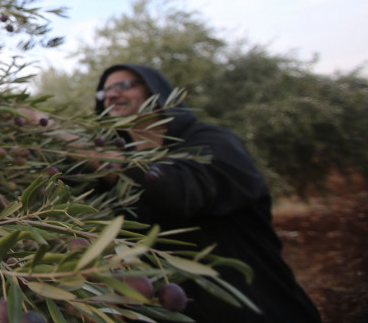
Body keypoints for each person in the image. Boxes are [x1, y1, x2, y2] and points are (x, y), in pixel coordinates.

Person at [90, 64, 321, 322]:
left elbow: (180, 190)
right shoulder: (107, 173)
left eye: (124, 85)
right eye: (104, 92)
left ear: (157, 90)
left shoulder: (211, 141)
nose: (110, 95)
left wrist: (81, 150)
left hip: (257, 308)